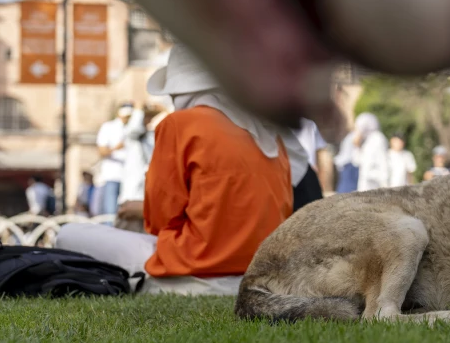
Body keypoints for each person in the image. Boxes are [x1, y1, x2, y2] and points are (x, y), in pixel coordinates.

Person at [56, 42, 294, 295]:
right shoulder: (269, 132)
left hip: (197, 264)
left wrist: (141, 209)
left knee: (68, 233)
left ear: (183, 90)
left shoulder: (181, 124)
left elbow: (162, 219)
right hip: (259, 268)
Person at [95, 103, 134, 215]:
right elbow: (102, 151)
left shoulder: (133, 129)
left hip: (130, 178)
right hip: (113, 175)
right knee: (110, 212)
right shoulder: (109, 127)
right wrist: (117, 148)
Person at [288, 118, 329, 211]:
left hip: (302, 172)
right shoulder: (310, 122)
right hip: (299, 171)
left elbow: (322, 153)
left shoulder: (310, 123)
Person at [354, 113, 388, 192]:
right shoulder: (367, 141)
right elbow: (357, 161)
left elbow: (382, 162)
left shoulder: (378, 138)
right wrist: (357, 146)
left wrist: (385, 183)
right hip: (366, 184)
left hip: (376, 184)